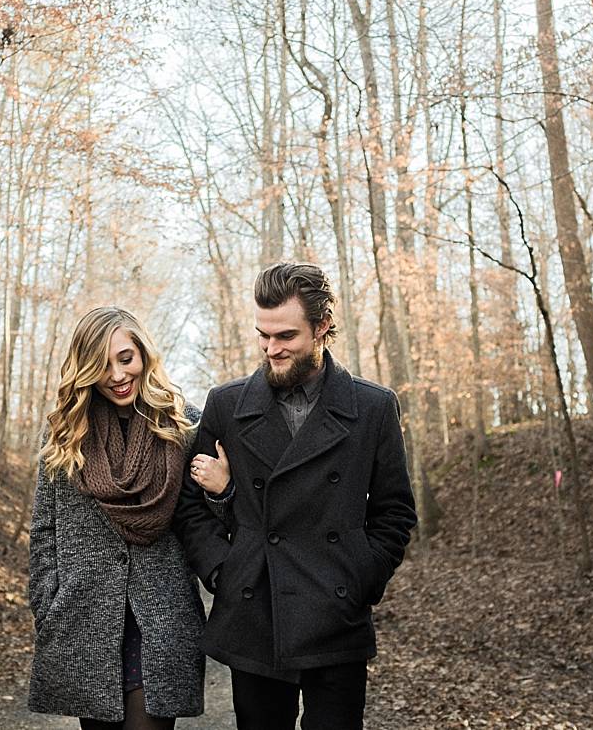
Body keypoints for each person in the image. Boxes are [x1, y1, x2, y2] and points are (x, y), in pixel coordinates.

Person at [177, 262, 418, 730]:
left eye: (285, 336)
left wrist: (362, 576)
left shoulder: (371, 407)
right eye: (263, 336)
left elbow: (394, 511)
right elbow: (190, 506)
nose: (271, 348)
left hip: (337, 614)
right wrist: (225, 571)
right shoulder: (226, 404)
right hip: (255, 611)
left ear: (323, 325)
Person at [27, 306, 205, 730]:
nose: (117, 375)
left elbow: (208, 518)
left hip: (161, 619)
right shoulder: (67, 433)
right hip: (86, 618)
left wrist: (223, 488)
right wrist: (47, 601)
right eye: (101, 365)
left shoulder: (184, 425)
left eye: (126, 358)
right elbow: (44, 529)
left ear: (143, 353)